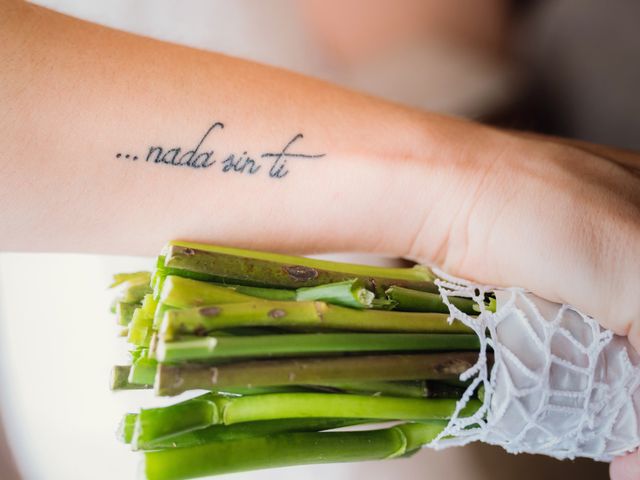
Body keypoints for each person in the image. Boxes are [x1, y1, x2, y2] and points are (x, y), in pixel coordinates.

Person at [0, 1, 638, 478]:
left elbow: (417, 33)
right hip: (74, 368)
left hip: (405, 313)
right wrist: (463, 191)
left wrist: (469, 150)